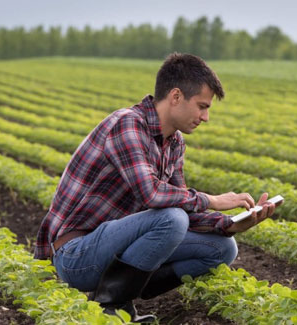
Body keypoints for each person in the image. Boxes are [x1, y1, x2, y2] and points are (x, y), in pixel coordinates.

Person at [34, 52, 278, 323]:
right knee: (171, 219)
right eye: (201, 106)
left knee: (223, 248)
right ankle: (112, 306)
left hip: (116, 248)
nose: (205, 117)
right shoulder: (127, 124)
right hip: (78, 255)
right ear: (175, 97)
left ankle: (133, 286)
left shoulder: (173, 142)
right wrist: (212, 199)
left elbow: (182, 203)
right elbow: (152, 194)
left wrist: (231, 224)